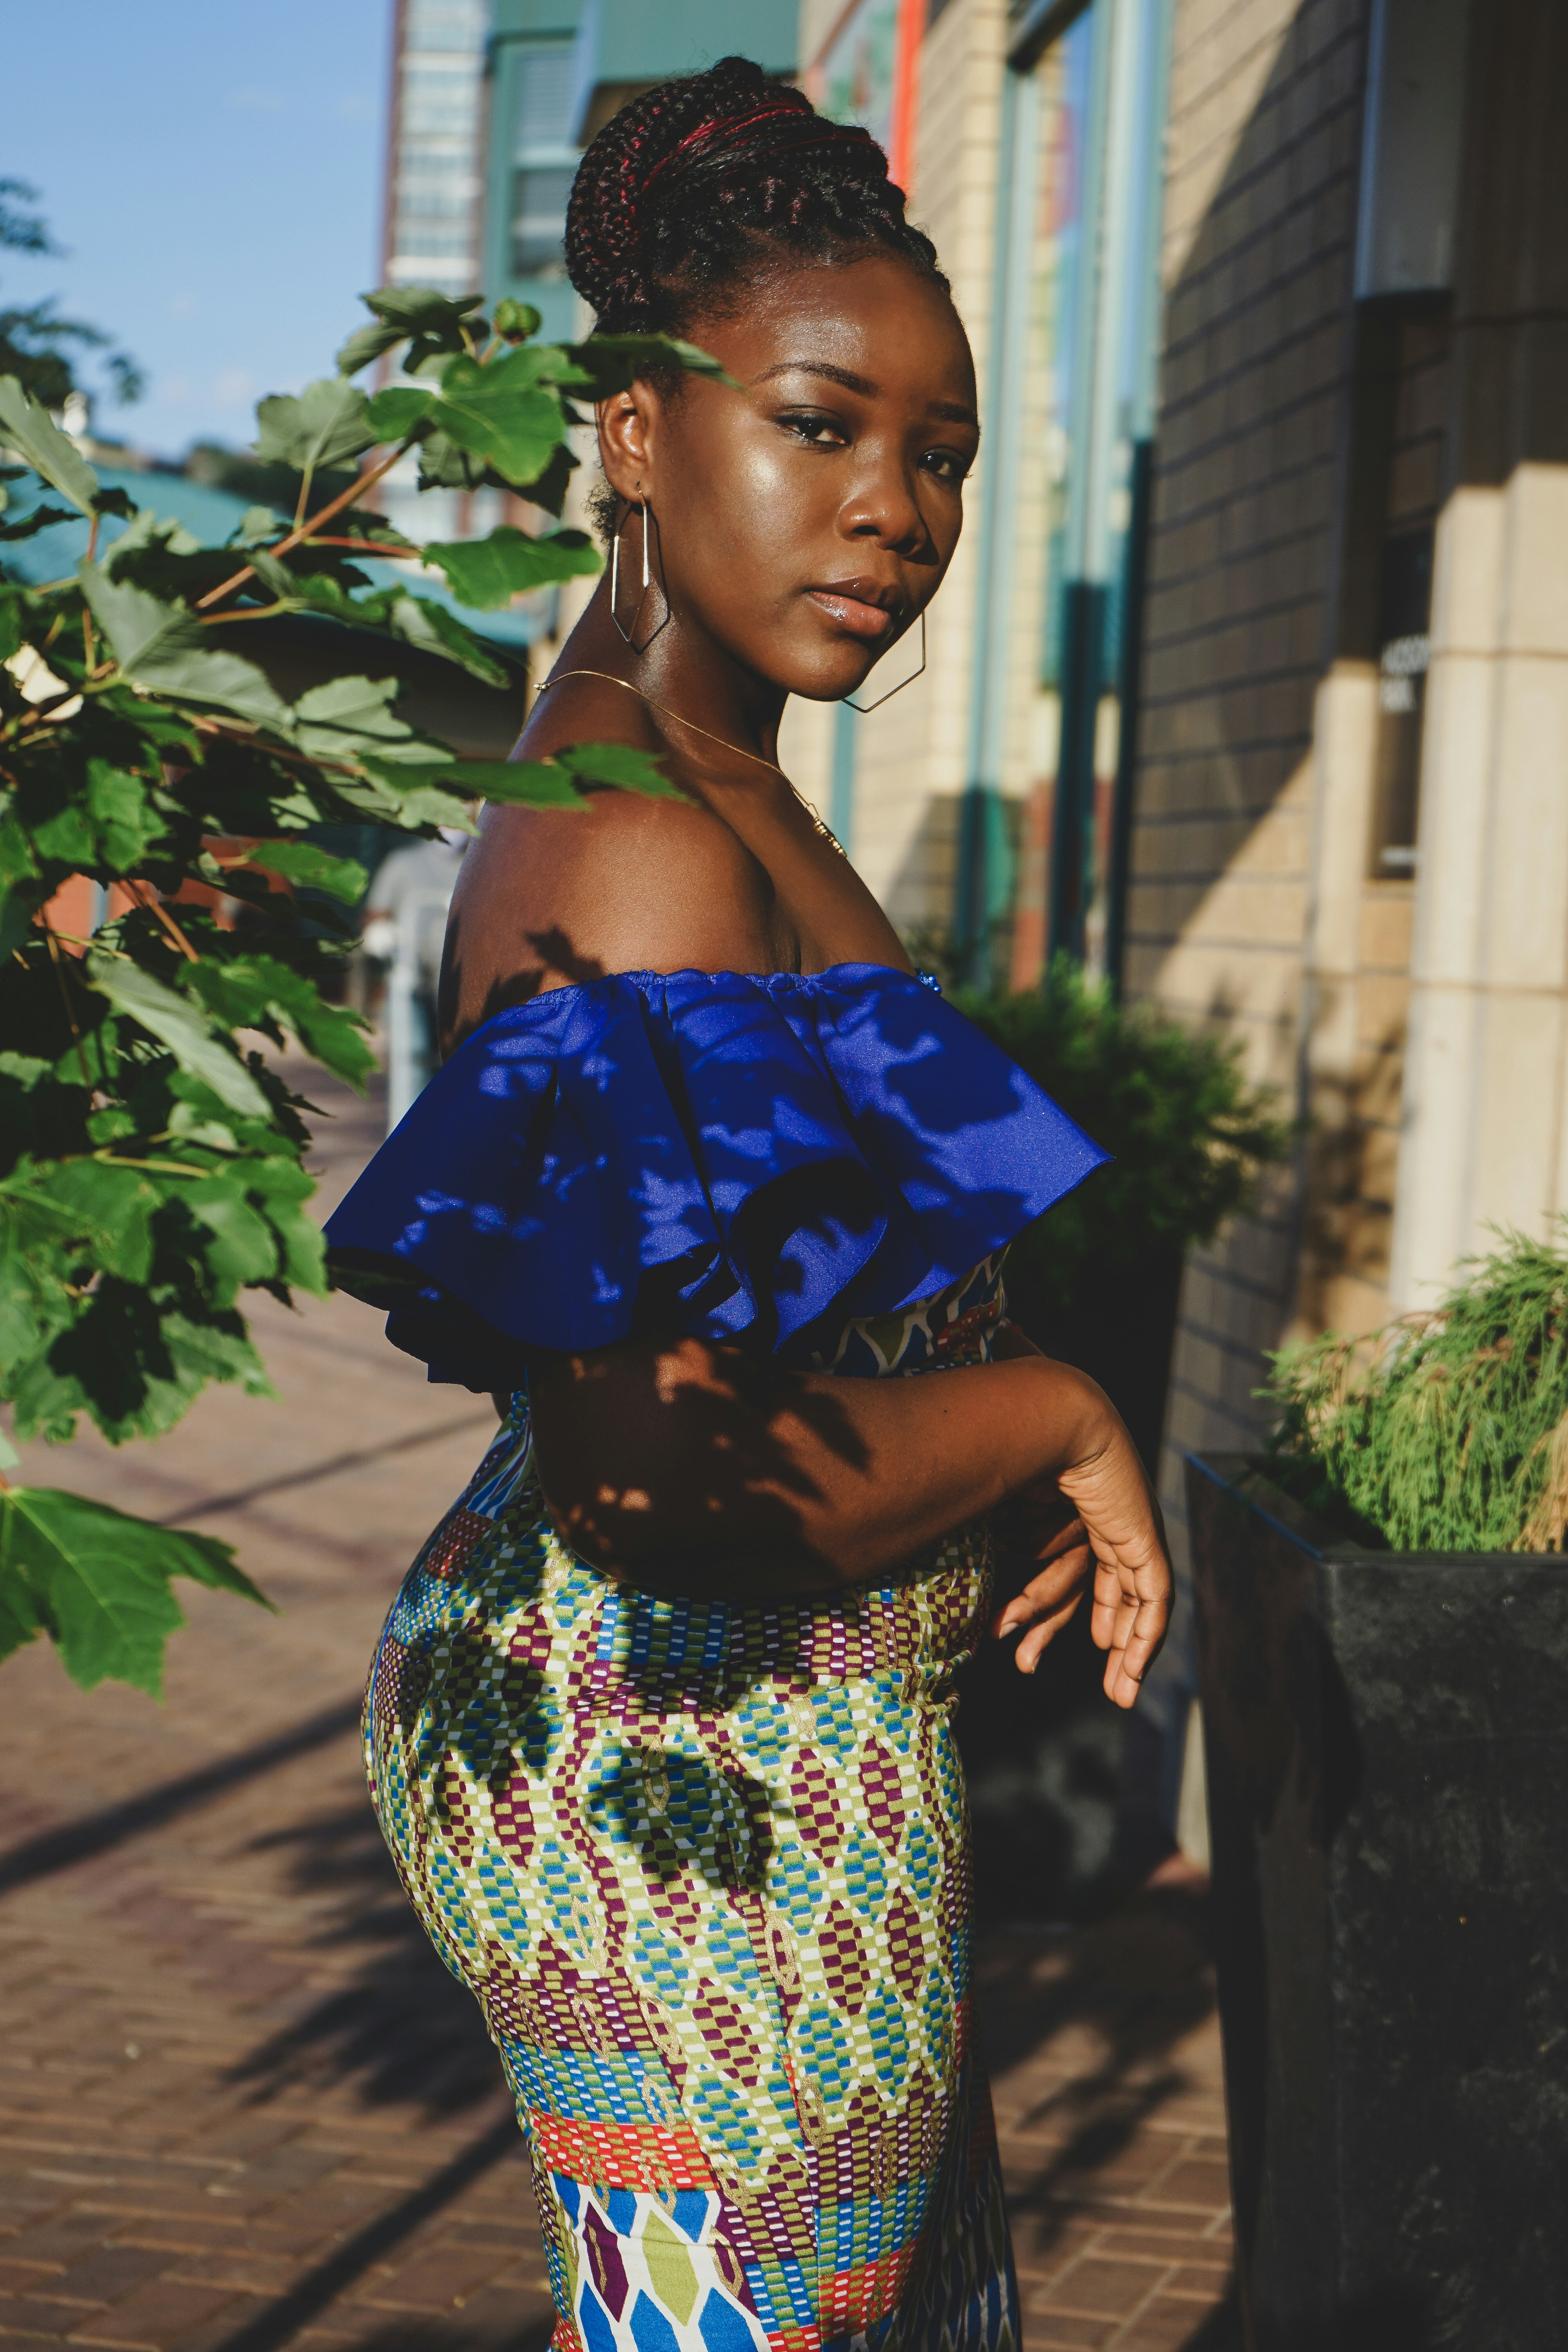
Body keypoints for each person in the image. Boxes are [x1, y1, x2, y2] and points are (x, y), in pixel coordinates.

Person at [327, 58, 1172, 2352]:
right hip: (673, 1757)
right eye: (820, 422)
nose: (893, 508)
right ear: (628, 428)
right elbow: (664, 1473)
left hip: (788, 1736)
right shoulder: (647, 841)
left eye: (943, 449)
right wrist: (1064, 1414)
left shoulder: (712, 779)